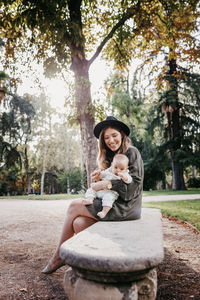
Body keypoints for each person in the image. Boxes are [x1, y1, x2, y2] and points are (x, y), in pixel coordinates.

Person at [41, 116, 144, 274]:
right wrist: (99, 178)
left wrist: (106, 184)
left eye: (114, 135)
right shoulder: (110, 158)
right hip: (113, 205)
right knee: (79, 223)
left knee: (74, 206)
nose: (111, 140)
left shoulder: (132, 152)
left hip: (126, 208)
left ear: (122, 135)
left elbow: (131, 190)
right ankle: (102, 259)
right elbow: (106, 189)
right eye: (107, 137)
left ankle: (59, 256)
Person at [83, 153, 132, 218]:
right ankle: (90, 199)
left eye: (121, 169)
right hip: (101, 190)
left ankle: (104, 212)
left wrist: (124, 177)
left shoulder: (125, 174)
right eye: (116, 167)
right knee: (91, 189)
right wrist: (98, 174)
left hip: (111, 192)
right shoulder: (109, 170)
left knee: (108, 198)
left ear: (126, 168)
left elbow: (129, 180)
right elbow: (103, 174)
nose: (118, 170)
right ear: (112, 165)